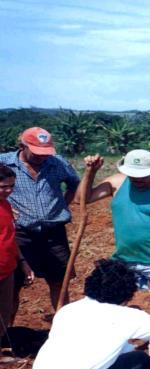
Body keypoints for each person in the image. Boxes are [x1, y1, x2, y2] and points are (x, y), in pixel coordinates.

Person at [83, 150, 150, 361]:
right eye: (134, 175)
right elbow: (82, 199)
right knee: (113, 296)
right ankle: (120, 338)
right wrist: (90, 173)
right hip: (125, 256)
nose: (138, 180)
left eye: (143, 175)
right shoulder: (117, 183)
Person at [0, 127, 81, 312]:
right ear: (22, 146)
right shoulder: (4, 163)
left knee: (60, 282)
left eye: (45, 153)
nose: (41, 157)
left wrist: (62, 205)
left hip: (54, 232)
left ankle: (62, 326)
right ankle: (9, 333)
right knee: (14, 286)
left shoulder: (58, 163)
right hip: (20, 233)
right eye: (36, 152)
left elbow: (75, 184)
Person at [0, 164, 34, 356]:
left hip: (7, 268)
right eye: (3, 186)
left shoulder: (6, 205)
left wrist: (23, 263)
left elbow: (10, 239)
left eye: (11, 186)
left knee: (4, 313)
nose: (9, 190)